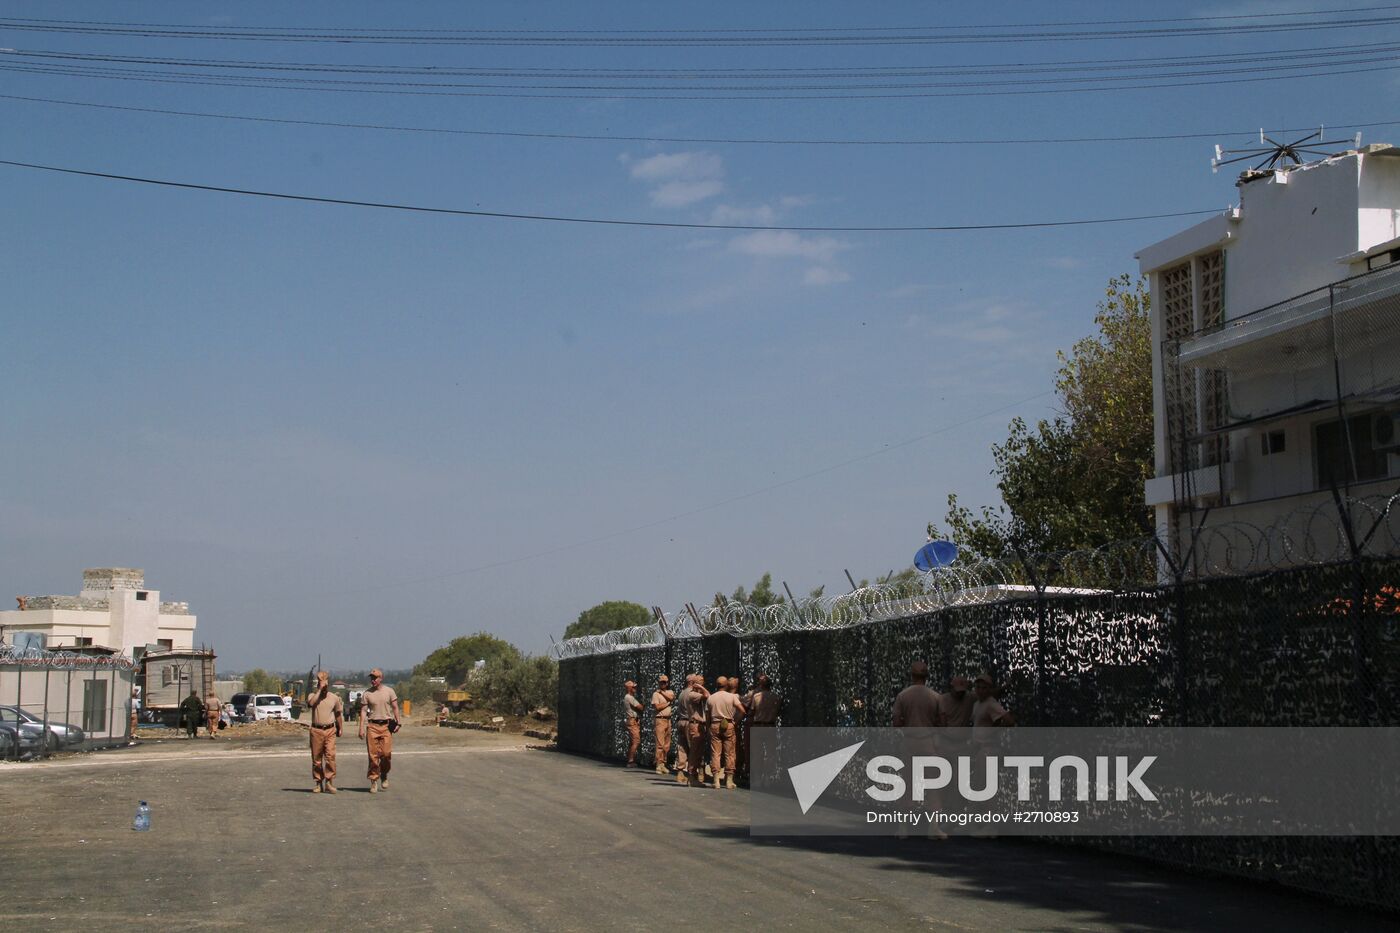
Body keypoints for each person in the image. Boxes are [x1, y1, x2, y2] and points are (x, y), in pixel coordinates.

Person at [891, 661, 946, 839]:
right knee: (933, 784)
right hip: (929, 743)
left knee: (907, 784)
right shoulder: (935, 696)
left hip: (909, 742)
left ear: (912, 675)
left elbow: (896, 722)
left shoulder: (903, 696)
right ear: (926, 676)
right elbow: (942, 723)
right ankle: (933, 828)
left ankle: (903, 828)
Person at [358, 669, 400, 793]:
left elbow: (395, 707)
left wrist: (398, 722)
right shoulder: (367, 694)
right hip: (372, 726)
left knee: (386, 754)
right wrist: (361, 727)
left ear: (381, 678)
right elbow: (364, 711)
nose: (373, 680)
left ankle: (384, 774)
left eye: (375, 678)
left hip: (386, 727)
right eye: (371, 678)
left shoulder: (389, 691)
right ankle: (373, 780)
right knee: (373, 756)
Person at [306, 670, 344, 794]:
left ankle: (329, 782)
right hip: (316, 730)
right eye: (322, 685)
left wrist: (340, 727)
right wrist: (319, 690)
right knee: (316, 759)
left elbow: (338, 714)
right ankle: (318, 783)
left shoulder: (334, 698)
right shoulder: (313, 695)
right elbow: (311, 704)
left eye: (326, 685)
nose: (324, 688)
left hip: (330, 730)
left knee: (330, 757)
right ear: (318, 685)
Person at [705, 676, 746, 790]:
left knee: (715, 753)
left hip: (714, 725)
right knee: (730, 753)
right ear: (726, 685)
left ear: (716, 685)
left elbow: (707, 716)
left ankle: (716, 781)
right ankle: (729, 781)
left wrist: (708, 728)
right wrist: (735, 722)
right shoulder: (732, 697)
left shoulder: (711, 698)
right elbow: (742, 711)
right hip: (728, 725)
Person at [679, 674, 710, 786]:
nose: (703, 685)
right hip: (695, 724)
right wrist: (701, 688)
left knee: (696, 751)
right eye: (702, 683)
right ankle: (691, 776)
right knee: (694, 751)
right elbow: (708, 696)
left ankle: (693, 776)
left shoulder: (688, 693)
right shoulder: (693, 695)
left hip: (696, 724)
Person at [651, 675, 675, 774]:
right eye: (661, 682)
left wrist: (662, 693)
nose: (663, 684)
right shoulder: (655, 694)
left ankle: (663, 763)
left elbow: (671, 698)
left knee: (667, 744)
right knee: (660, 744)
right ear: (659, 683)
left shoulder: (669, 692)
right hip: (660, 720)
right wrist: (668, 704)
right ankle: (658, 764)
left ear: (667, 683)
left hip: (668, 720)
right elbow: (657, 707)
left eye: (665, 682)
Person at [622, 680, 643, 767]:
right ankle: (630, 761)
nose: (635, 688)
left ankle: (631, 759)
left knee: (632, 741)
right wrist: (642, 705)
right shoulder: (629, 697)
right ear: (629, 688)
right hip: (632, 721)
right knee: (636, 741)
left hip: (633, 720)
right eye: (633, 687)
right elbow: (640, 707)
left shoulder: (628, 697)